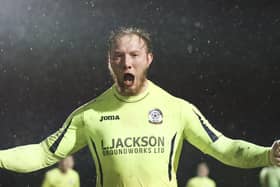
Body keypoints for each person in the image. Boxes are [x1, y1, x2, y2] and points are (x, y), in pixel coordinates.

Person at [0, 27, 280, 187]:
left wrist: (268, 155)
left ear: (148, 59)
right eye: (118, 56)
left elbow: (225, 148)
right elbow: (42, 153)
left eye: (134, 55)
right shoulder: (89, 115)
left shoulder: (177, 108)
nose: (127, 63)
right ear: (110, 62)